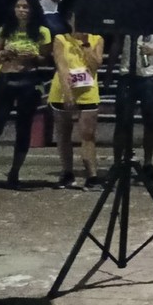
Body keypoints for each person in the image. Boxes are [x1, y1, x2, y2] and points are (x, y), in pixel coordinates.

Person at [0, 0, 52, 188]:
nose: (22, 10)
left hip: (28, 80)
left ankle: (14, 173)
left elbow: (45, 59)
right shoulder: (6, 28)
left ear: (33, 10)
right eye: (18, 7)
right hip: (6, 78)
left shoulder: (42, 31)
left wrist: (34, 56)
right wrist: (5, 53)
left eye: (26, 7)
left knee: (23, 128)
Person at [110, 17, 153, 186]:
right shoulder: (127, 16)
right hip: (127, 74)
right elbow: (117, 43)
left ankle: (148, 164)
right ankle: (118, 163)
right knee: (122, 121)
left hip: (150, 76)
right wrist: (109, 71)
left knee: (150, 122)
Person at [50, 13, 104, 190]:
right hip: (63, 90)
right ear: (69, 20)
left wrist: (86, 45)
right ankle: (67, 173)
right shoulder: (61, 39)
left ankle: (92, 176)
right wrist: (67, 93)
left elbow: (96, 64)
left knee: (88, 135)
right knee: (63, 134)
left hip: (88, 91)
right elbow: (61, 66)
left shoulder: (97, 39)